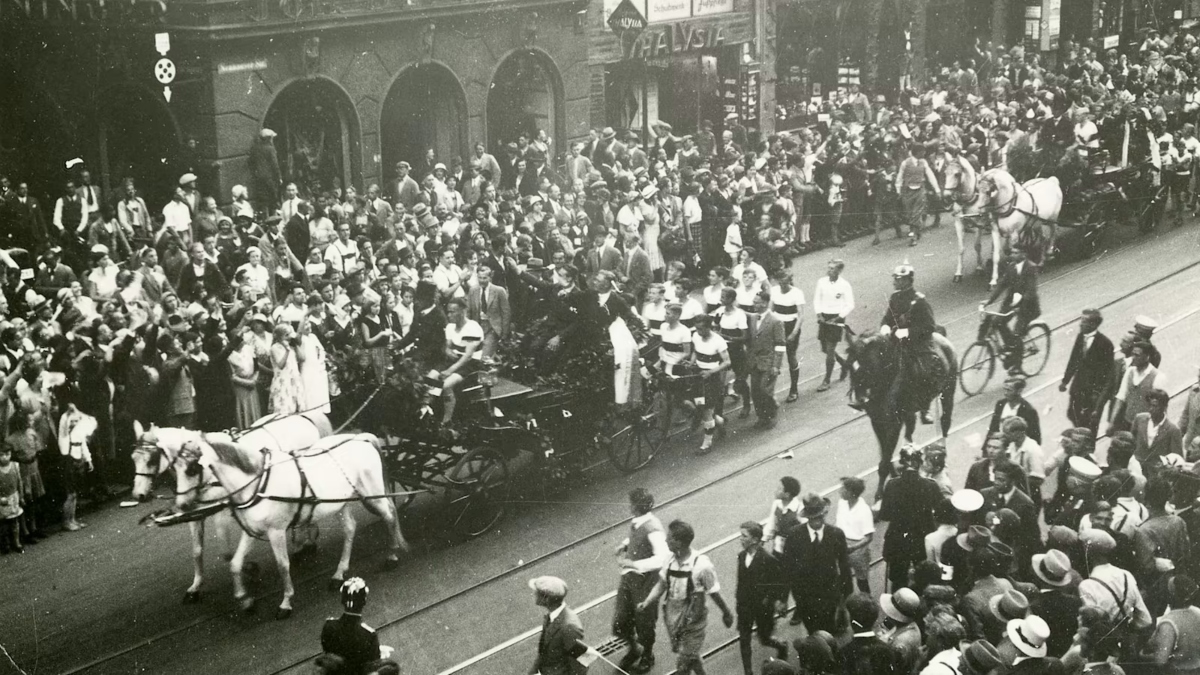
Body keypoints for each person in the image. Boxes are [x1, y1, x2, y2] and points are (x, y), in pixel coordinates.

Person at [637, 519, 734, 675]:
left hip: (693, 620)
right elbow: (662, 584)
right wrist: (647, 602)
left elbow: (713, 592)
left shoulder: (701, 565)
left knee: (683, 664)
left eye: (669, 538)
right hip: (673, 616)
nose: (666, 540)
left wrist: (726, 612)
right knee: (690, 655)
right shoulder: (669, 560)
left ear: (679, 542)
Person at [613, 488, 670, 674]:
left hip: (646, 582)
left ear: (637, 506)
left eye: (631, 503)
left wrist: (634, 563)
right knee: (621, 620)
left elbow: (663, 558)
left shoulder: (653, 528)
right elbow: (636, 535)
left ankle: (647, 654)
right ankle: (633, 648)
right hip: (629, 579)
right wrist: (625, 544)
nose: (629, 506)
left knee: (644, 622)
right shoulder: (638, 521)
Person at [782, 493, 852, 634]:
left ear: (824, 514)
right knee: (813, 632)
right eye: (813, 518)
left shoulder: (836, 534)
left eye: (820, 517)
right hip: (804, 597)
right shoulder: (794, 536)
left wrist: (844, 604)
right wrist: (782, 598)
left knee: (829, 632)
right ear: (807, 517)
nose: (817, 521)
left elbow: (845, 568)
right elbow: (786, 569)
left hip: (829, 595)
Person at [879, 264, 941, 424]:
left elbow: (929, 326)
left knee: (923, 372)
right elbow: (888, 318)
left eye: (898, 279)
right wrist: (885, 327)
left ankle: (925, 409)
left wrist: (908, 332)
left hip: (917, 343)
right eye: (895, 278)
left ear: (907, 280)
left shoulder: (919, 300)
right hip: (896, 340)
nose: (895, 281)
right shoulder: (895, 297)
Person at [879, 445, 942, 591]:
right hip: (923, 536)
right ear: (918, 462)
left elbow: (885, 515)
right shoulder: (930, 485)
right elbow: (940, 512)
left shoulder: (892, 484)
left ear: (902, 462)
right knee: (923, 575)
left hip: (898, 537)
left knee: (898, 578)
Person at [734, 521, 789, 675]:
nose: (741, 539)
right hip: (745, 606)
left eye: (744, 536)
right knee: (744, 639)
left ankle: (781, 645)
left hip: (762, 607)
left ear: (755, 540)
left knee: (764, 638)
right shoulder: (741, 556)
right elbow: (741, 581)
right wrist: (739, 601)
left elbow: (779, 582)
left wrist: (773, 600)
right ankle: (748, 671)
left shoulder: (768, 559)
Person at [981, 248, 1040, 373]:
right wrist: (989, 301)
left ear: (1023, 254)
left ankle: (1017, 365)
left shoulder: (1031, 268)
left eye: (1016, 252)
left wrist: (1021, 302)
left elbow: (1031, 291)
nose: (1013, 255)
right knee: (997, 322)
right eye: (1012, 253)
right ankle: (1010, 346)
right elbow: (1002, 285)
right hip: (1012, 302)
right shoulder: (1011, 267)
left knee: (1017, 333)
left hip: (1028, 306)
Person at [1061, 308, 1115, 433]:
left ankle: (1088, 443)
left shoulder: (1105, 343)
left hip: (1091, 391)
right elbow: (1073, 359)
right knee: (1071, 413)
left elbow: (1106, 372)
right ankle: (1081, 434)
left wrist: (1097, 392)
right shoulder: (1081, 337)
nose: (1081, 324)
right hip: (1078, 386)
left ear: (1094, 324)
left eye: (1084, 321)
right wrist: (1065, 381)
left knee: (1089, 419)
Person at [319, 578, 384, 675]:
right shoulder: (369, 635)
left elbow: (327, 652)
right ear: (364, 601)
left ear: (342, 600)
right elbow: (372, 666)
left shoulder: (329, 626)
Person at [435, 298, 483, 426]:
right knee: (431, 378)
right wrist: (447, 351)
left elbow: (467, 356)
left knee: (446, 385)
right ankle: (431, 411)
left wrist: (449, 371)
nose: (449, 315)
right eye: (448, 312)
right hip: (455, 360)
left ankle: (447, 420)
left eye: (453, 312)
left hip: (470, 364)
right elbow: (447, 346)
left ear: (463, 312)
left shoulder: (473, 327)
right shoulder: (450, 327)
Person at [528, 576, 589, 675]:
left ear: (546, 599)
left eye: (537, 592)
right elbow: (543, 653)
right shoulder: (551, 616)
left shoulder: (569, 627)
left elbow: (579, 667)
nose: (533, 594)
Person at [1141, 574, 1200, 673]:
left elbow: (1160, 660)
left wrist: (1143, 656)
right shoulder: (1197, 612)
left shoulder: (1169, 623)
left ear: (1171, 594)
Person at [690, 315, 731, 454]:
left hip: (712, 380)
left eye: (701, 329)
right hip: (698, 377)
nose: (698, 331)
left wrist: (710, 372)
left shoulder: (718, 341)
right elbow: (696, 351)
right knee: (701, 408)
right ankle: (719, 422)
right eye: (697, 328)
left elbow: (727, 362)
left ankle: (706, 444)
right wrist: (691, 362)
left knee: (707, 410)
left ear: (709, 327)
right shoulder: (695, 336)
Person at [812, 260, 853, 393]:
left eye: (833, 269)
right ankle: (844, 364)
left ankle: (827, 380)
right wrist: (819, 315)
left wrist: (839, 317)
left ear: (839, 271)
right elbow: (817, 299)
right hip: (824, 317)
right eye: (828, 268)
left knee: (830, 350)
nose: (829, 270)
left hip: (837, 318)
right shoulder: (821, 282)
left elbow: (850, 304)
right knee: (824, 348)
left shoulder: (844, 285)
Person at [746, 291, 785, 428]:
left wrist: (776, 366)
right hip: (754, 362)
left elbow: (780, 345)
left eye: (756, 302)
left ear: (764, 303)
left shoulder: (775, 321)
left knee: (765, 390)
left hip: (768, 362)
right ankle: (761, 417)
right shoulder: (752, 318)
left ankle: (770, 415)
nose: (753, 304)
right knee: (755, 391)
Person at [836, 476, 875, 593]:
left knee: (861, 579)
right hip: (841, 542)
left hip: (857, 549)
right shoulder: (841, 503)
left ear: (852, 492)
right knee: (842, 576)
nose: (840, 491)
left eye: (843, 488)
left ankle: (866, 600)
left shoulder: (864, 510)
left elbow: (869, 537)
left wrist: (853, 548)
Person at [1131, 388, 1183, 467]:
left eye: (1155, 406)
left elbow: (1177, 459)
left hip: (1157, 473)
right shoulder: (1139, 419)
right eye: (1149, 405)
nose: (1151, 409)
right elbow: (1131, 442)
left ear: (1164, 407)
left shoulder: (1173, 430)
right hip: (1136, 467)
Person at [987, 376, 1042, 445]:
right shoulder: (1000, 404)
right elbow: (992, 428)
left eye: (1009, 390)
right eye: (1005, 389)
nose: (1005, 393)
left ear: (1019, 391)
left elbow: (1035, 438)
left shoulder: (1029, 411)